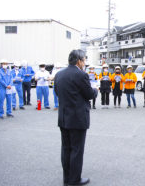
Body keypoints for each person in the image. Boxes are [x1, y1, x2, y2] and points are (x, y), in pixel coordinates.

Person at [54, 49, 96, 186]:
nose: (84, 63)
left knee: (66, 148)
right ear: (79, 61)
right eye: (84, 60)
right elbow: (89, 94)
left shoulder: (59, 74)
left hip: (64, 117)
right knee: (77, 150)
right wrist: (96, 90)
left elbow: (57, 92)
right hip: (77, 118)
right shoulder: (81, 75)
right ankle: (75, 180)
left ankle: (67, 178)